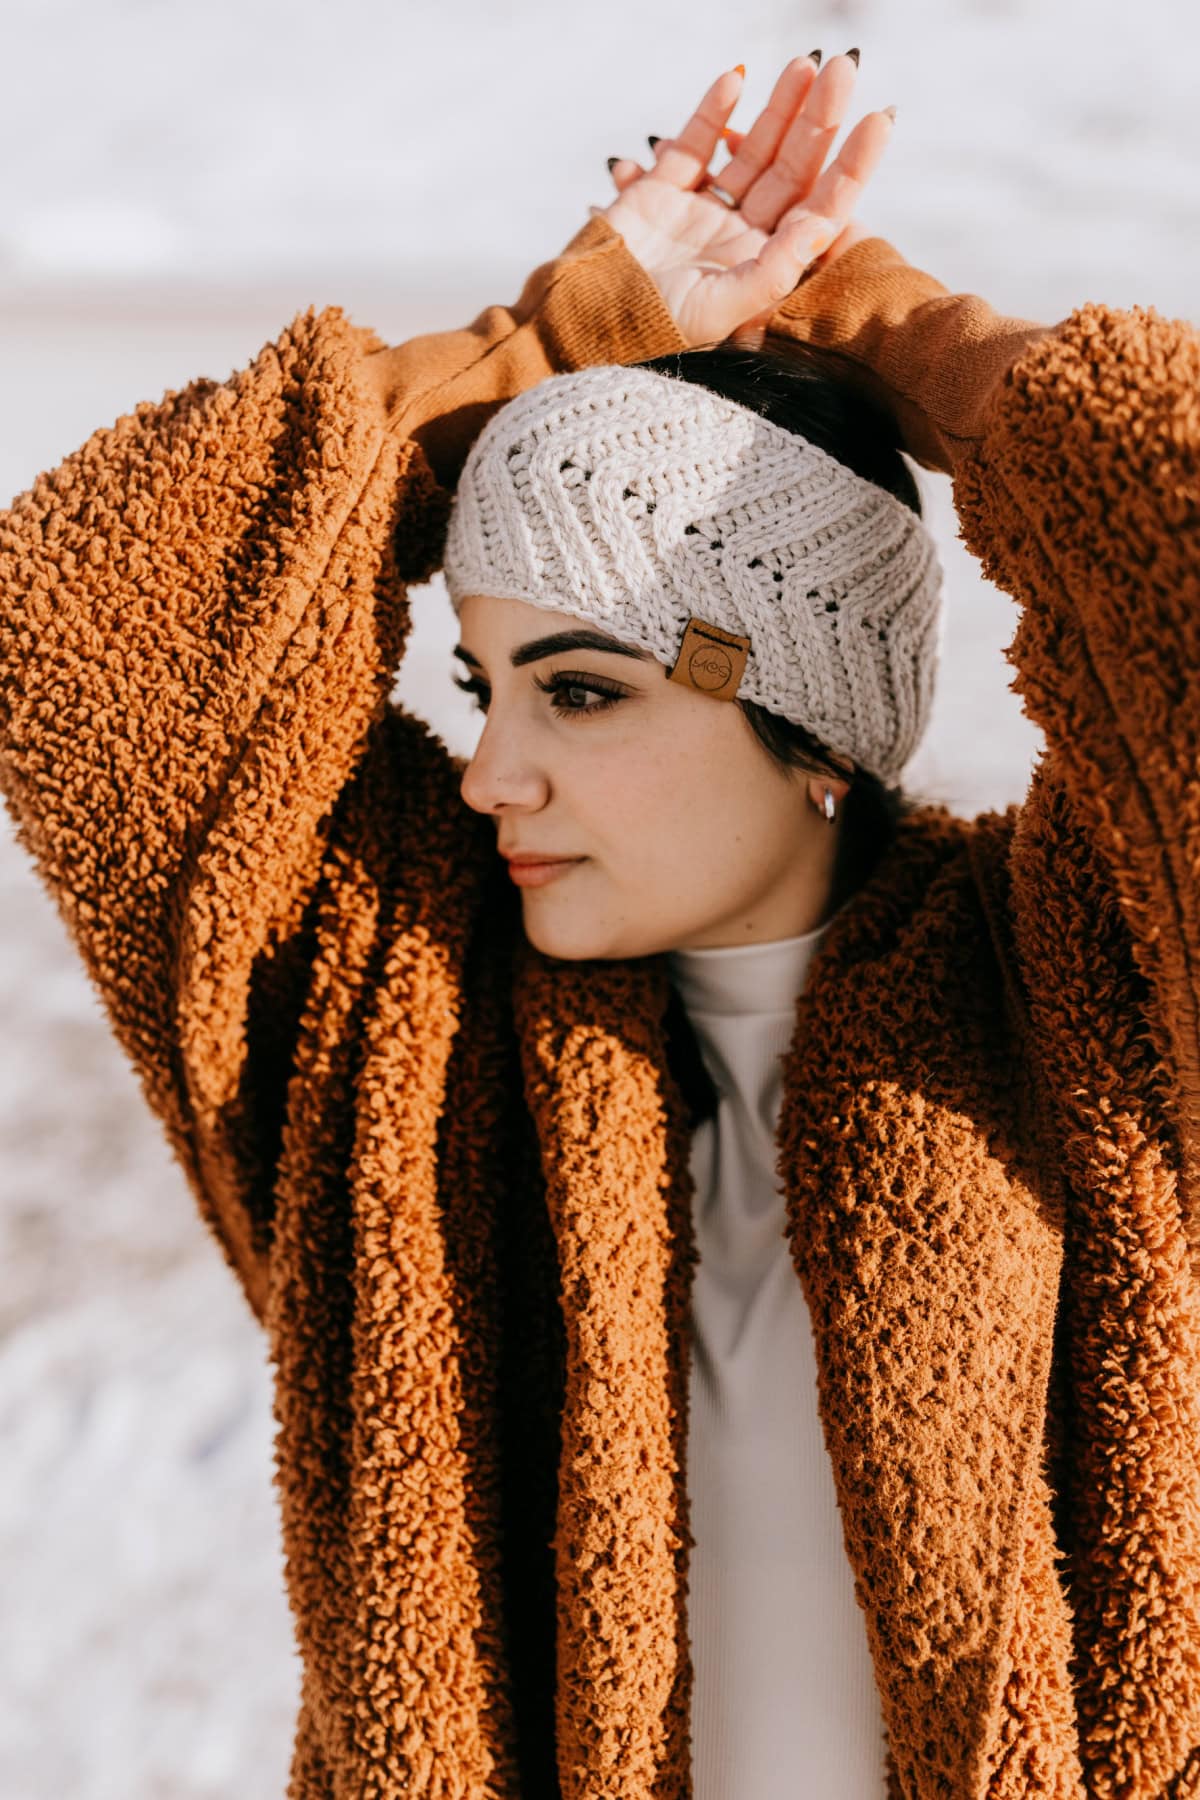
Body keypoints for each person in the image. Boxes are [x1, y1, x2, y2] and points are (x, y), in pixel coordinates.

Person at [1, 45, 1198, 1800]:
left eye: (579, 693)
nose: (487, 774)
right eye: (481, 685)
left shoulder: (1084, 1006)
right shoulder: (397, 1026)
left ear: (808, 727)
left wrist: (925, 349)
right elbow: (86, 631)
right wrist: (548, 347)